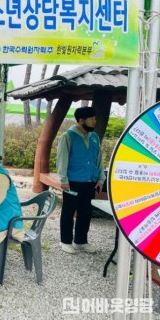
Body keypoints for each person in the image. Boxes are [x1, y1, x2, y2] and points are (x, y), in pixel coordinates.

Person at [57, 106, 105, 254]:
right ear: (81, 120)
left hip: (90, 181)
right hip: (72, 181)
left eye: (95, 118)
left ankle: (81, 241)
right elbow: (62, 159)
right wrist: (63, 179)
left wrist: (101, 178)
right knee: (68, 211)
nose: (94, 121)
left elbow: (99, 159)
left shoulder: (95, 137)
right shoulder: (68, 136)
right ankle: (65, 241)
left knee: (86, 212)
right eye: (92, 119)